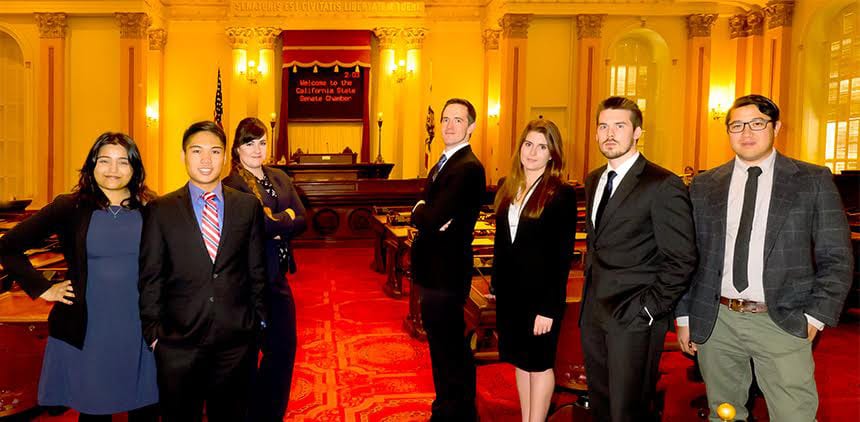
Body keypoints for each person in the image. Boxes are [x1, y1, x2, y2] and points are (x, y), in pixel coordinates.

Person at [675, 94, 854, 421]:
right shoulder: (704, 185)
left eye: (757, 123)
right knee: (725, 415)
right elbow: (690, 258)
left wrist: (814, 318)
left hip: (782, 318)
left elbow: (837, 257)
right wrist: (685, 317)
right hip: (718, 320)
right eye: (736, 125)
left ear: (776, 127)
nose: (746, 132)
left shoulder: (811, 180)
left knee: (794, 416)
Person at [0, 133, 158, 421]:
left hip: (139, 326)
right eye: (104, 161)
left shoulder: (153, 208)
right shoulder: (69, 207)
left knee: (145, 407)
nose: (113, 169)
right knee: (94, 408)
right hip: (90, 326)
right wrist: (44, 288)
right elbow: (7, 247)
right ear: (91, 165)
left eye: (123, 162)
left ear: (135, 168)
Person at [138, 121, 267, 422]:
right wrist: (154, 335)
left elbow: (256, 271)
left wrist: (258, 327)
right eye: (197, 151)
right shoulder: (160, 210)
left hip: (236, 342)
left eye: (214, 151)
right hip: (177, 343)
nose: (206, 160)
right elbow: (150, 277)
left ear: (225, 157)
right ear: (183, 156)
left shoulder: (247, 207)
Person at [580, 96, 697, 422]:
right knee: (601, 404)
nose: (609, 134)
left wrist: (648, 308)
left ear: (637, 132)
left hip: (634, 315)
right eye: (603, 126)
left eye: (619, 126)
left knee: (627, 411)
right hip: (593, 312)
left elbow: (682, 258)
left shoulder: (662, 185)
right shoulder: (594, 179)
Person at [490, 119, 578, 422]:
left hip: (540, 298)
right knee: (520, 362)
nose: (532, 152)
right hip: (511, 295)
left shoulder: (560, 194)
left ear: (552, 154)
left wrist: (548, 308)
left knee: (539, 364)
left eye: (542, 147)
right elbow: (502, 244)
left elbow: (561, 256)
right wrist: (495, 287)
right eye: (528, 144)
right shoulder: (508, 186)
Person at [222, 117, 307, 421]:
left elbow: (302, 219)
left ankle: (269, 413)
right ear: (237, 148)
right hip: (246, 283)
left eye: (261, 142)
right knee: (245, 356)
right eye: (249, 143)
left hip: (277, 279)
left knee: (283, 349)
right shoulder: (231, 184)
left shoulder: (279, 176)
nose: (257, 149)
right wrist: (281, 219)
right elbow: (257, 226)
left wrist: (277, 220)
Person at [411, 98, 486, 421]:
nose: (449, 125)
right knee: (441, 349)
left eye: (458, 120)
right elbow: (433, 217)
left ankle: (457, 413)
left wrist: (422, 212)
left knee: (451, 350)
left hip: (447, 271)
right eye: (445, 119)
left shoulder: (468, 167)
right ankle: (446, 409)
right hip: (433, 270)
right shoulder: (443, 162)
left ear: (471, 126)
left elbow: (431, 216)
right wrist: (428, 214)